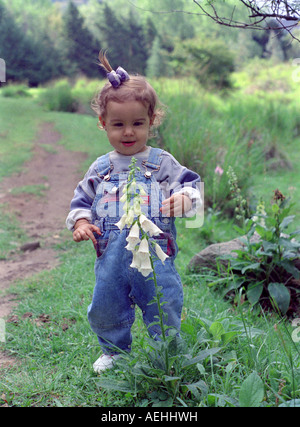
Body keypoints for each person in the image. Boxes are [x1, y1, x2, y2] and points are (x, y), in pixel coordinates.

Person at [66, 51, 201, 373]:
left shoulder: (162, 162)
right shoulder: (100, 168)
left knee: (164, 302)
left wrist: (185, 198)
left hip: (157, 257)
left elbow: (192, 186)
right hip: (111, 257)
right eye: (118, 124)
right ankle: (113, 350)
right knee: (105, 306)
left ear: (152, 121)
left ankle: (166, 351)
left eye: (138, 123)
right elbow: (81, 201)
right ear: (103, 124)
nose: (128, 132)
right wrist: (82, 221)